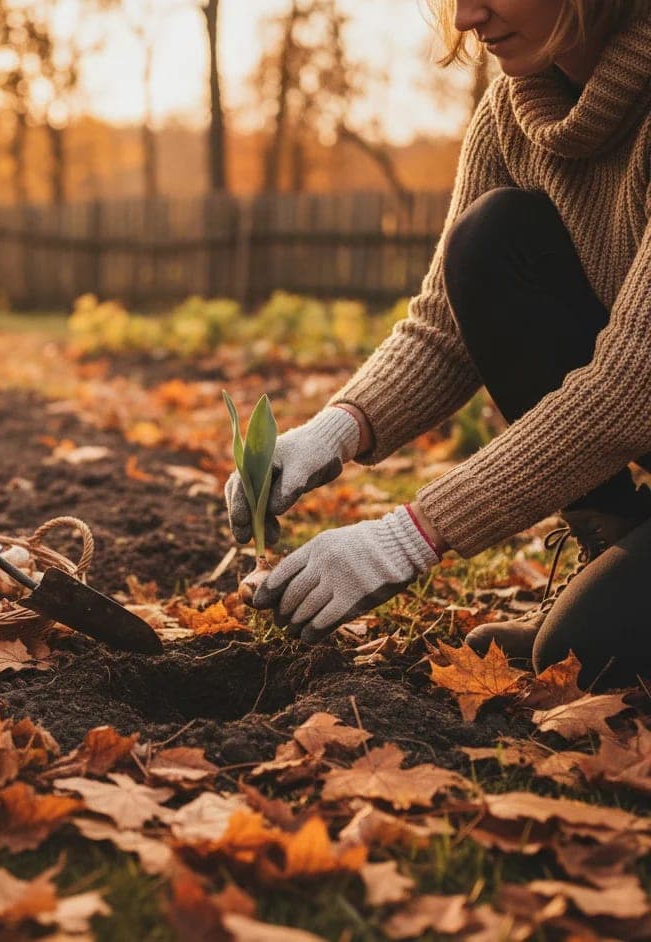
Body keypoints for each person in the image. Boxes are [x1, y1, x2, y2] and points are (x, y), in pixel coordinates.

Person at [227, 0, 651, 689]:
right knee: (489, 237)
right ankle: (613, 539)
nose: (465, 18)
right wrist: (333, 432)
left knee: (592, 650)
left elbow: (633, 384)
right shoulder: (514, 109)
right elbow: (443, 325)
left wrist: (407, 538)